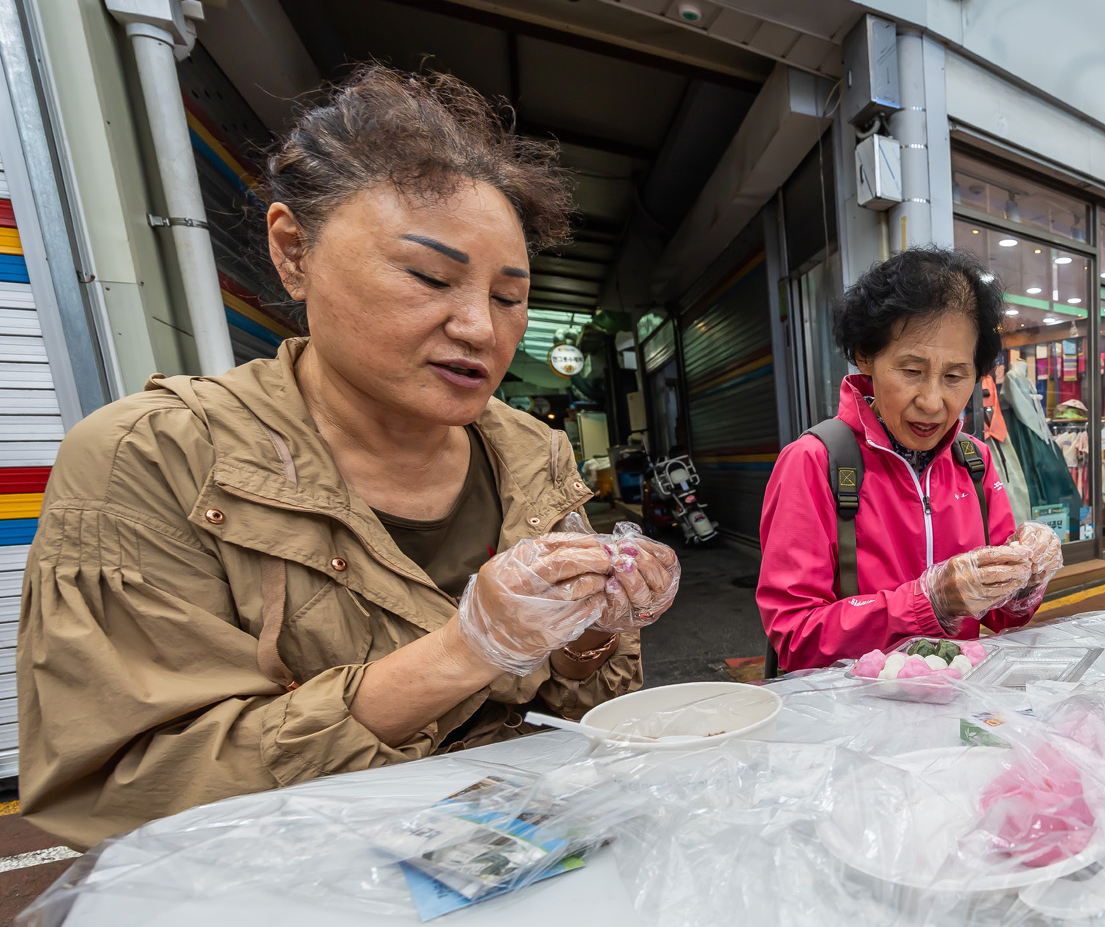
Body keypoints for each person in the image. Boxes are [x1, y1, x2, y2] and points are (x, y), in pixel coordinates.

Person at [16, 65, 676, 848]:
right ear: (294, 252)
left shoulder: (533, 448)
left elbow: (584, 707)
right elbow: (120, 791)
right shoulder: (153, 457)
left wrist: (598, 626)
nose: (479, 328)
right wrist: (466, 651)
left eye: (508, 297)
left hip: (517, 854)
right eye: (430, 277)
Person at [758, 247, 1062, 673]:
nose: (933, 401)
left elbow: (1002, 616)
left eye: (955, 377)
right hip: (853, 724)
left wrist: (1026, 578)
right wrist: (928, 603)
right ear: (866, 355)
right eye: (911, 371)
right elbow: (795, 638)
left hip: (957, 709)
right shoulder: (813, 463)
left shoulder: (975, 462)